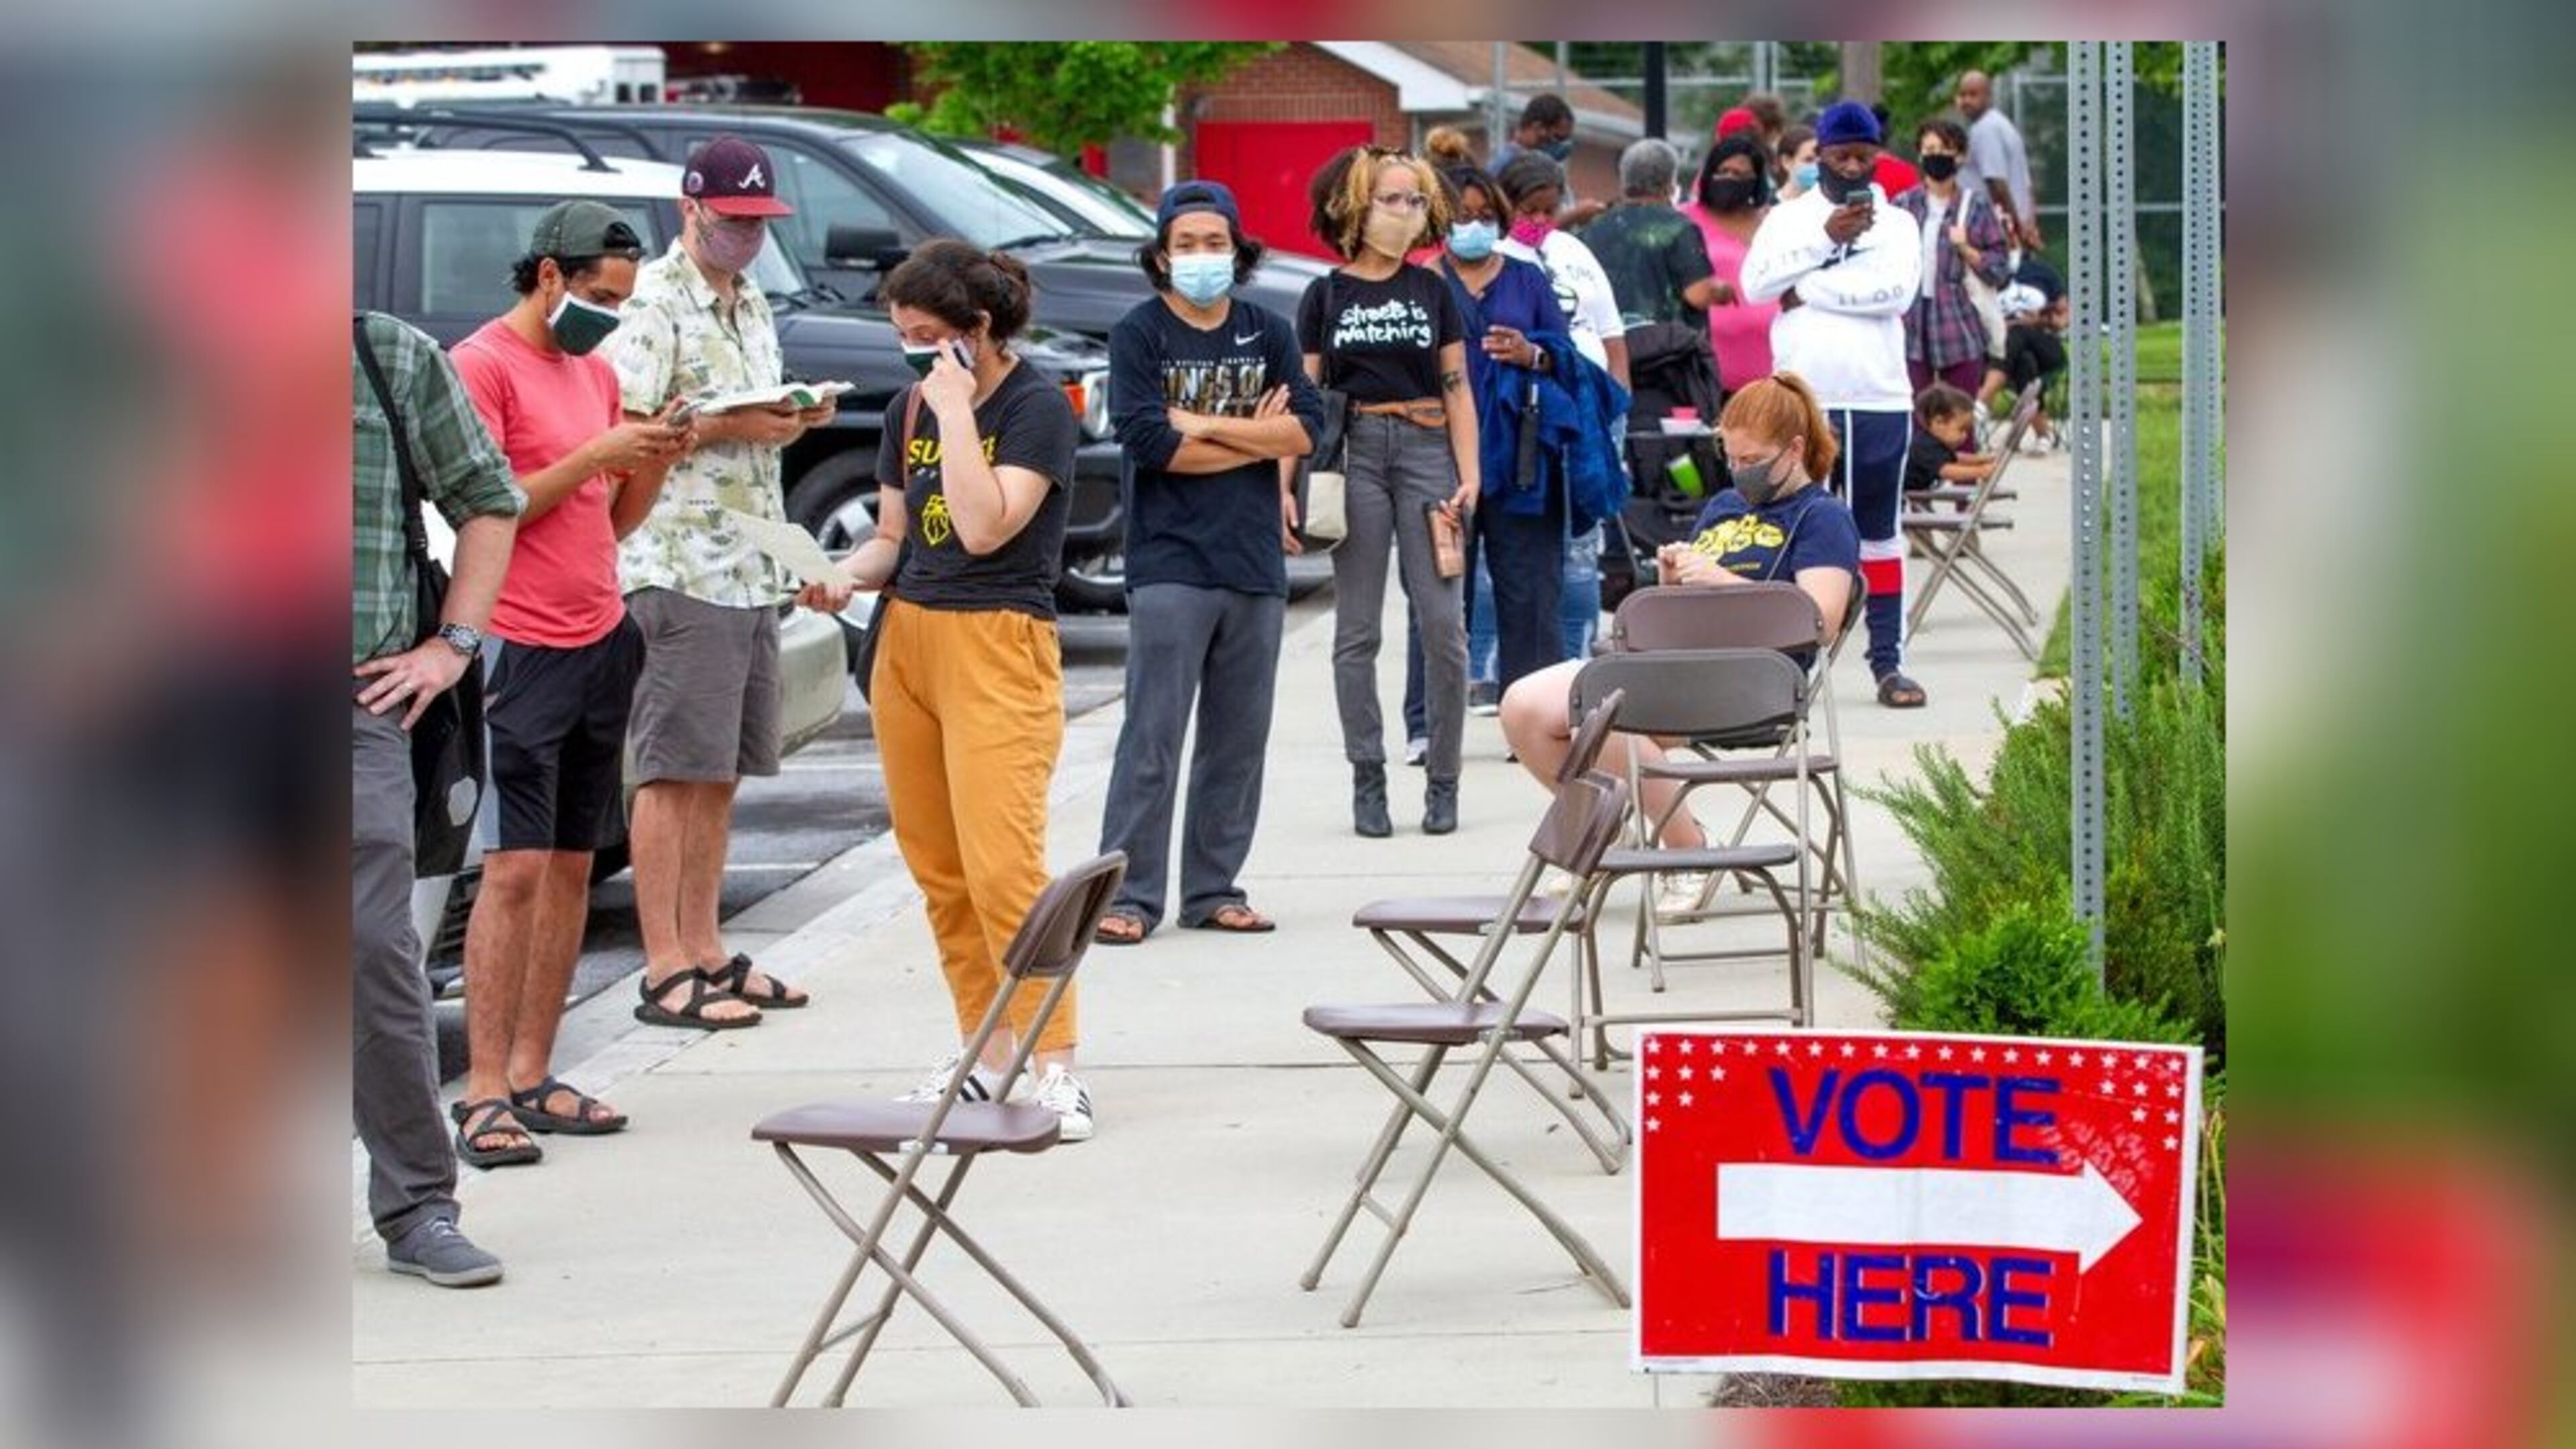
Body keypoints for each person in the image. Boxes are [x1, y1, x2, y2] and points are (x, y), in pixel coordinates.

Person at [818, 241, 1093, 1136]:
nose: (912, 353)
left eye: (929, 335)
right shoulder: (909, 407)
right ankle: (988, 1046)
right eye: (901, 335)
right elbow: (898, 535)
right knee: (939, 868)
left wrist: (957, 415)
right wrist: (843, 573)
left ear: (980, 329)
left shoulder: (1034, 407)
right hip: (910, 636)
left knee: (1003, 863)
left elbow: (981, 528)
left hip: (998, 638)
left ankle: (1055, 1062)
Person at [445, 202, 690, 1163]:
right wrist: (593, 454)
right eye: (594, 297)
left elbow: (612, 523)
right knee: (511, 869)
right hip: (517, 642)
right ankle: (482, 1089)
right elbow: (487, 508)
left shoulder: (593, 372)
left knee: (576, 866)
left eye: (620, 302)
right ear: (546, 276)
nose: (605, 317)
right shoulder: (481, 366)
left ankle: (537, 1070)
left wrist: (656, 458)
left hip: (599, 630)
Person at [610, 136, 837, 1032]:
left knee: (725, 771)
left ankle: (706, 947)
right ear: (690, 209)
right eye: (734, 222)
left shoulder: (750, 302)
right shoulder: (653, 304)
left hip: (747, 564)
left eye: (759, 224)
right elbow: (630, 434)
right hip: (678, 563)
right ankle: (665, 965)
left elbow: (755, 446)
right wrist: (738, 420)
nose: (747, 237)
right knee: (673, 771)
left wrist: (792, 416)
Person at [1497, 372, 1856, 906]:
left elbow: (1819, 620)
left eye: (1751, 459)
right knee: (1523, 707)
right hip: (1672, 663)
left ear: (1794, 449)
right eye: (1730, 459)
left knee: (1610, 701)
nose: (1738, 471)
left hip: (1754, 684)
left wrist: (1723, 582)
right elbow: (1692, 601)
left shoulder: (1823, 518)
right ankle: (1604, 821)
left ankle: (1686, 851)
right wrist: (1674, 582)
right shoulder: (1723, 508)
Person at [1092, 182, 1322, 946]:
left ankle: (1213, 888)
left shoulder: (1269, 329)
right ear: (1162, 254)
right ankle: (1128, 896)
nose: (1201, 257)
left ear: (1238, 248)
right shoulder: (1139, 335)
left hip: (1254, 560)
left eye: (1214, 242)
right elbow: (1152, 444)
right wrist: (1246, 434)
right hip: (1168, 562)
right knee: (1152, 738)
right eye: (1186, 244)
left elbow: (1304, 434)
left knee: (1238, 739)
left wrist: (1201, 422)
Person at [351, 311, 522, 1285]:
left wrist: (451, 646)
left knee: (372, 952)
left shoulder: (389, 355)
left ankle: (418, 1206)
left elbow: (489, 499)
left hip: (356, 701)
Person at [1299, 144, 1480, 837]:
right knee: (1359, 629)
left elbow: (1457, 384)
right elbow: (1312, 398)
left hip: (1429, 449)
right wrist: (1295, 485)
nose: (1403, 213)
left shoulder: (1433, 290)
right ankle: (1367, 775)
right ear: (1354, 207)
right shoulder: (1326, 295)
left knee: (1443, 626)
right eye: (1389, 200)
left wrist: (1472, 475)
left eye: (1413, 201)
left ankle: (1443, 778)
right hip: (1357, 456)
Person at [1741, 100, 1927, 709]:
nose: (1852, 166)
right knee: (1796, 530)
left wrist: (1809, 290)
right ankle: (1786, 671)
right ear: (1818, 155)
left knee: (1879, 532)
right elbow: (1756, 286)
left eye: (1864, 157)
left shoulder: (1898, 225)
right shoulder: (1789, 219)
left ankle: (1888, 664)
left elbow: (1894, 294)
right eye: (1841, 155)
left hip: (1878, 395)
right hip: (1805, 398)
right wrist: (1823, 242)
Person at [1434, 164, 1575, 700]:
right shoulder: (1426, 281)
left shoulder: (1526, 279)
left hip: (1523, 457)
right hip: (1443, 459)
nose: (1474, 225)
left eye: (1485, 216)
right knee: (1443, 594)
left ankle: (1535, 711)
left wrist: (1530, 353)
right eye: (1462, 216)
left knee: (1532, 594)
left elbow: (1567, 362)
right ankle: (1431, 724)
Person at [1494, 151, 1632, 663]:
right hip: (1527, 418)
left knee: (1582, 545)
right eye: (1530, 210)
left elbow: (1611, 330)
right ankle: (1493, 665)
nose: (1540, 223)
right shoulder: (1493, 255)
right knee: (1516, 549)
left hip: (1591, 411)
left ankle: (1577, 657)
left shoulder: (1571, 249)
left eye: (1550, 211)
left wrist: (1618, 398)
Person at [1893, 117, 2012, 397]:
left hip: (1959, 323)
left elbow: (2000, 268)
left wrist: (1968, 250)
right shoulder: (1903, 205)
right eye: (1929, 150)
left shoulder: (1976, 206)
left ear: (1960, 156)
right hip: (1911, 324)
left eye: (1944, 150)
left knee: (1960, 413)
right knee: (1914, 412)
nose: (1936, 157)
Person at [1582, 138, 1725, 335]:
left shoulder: (1592, 229)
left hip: (1608, 349)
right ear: (1669, 183)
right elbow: (1698, 294)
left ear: (1624, 180)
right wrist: (1721, 291)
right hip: (1667, 352)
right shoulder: (1678, 227)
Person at [1678, 132, 1783, 397]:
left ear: (1756, 181)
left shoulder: (1774, 221)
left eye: (1740, 174)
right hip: (1708, 367)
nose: (1729, 179)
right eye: (1722, 171)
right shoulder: (1684, 219)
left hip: (1772, 367)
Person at [1980, 278, 2071, 452]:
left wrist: (2041, 321)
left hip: (2044, 348)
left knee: (2019, 332)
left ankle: (1985, 396)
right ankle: (2043, 435)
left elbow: (2064, 317)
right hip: (2009, 353)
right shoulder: (1986, 276)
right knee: (2025, 363)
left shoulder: (2042, 273)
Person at [1956, 70, 2041, 253]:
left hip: (1997, 234)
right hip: (2013, 228)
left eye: (1973, 94)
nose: (1966, 101)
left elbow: (1997, 184)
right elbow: (2027, 186)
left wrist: (2015, 230)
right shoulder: (2001, 124)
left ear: (1988, 96)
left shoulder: (1986, 129)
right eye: (1962, 95)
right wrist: (2029, 226)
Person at [1904, 382, 1998, 498]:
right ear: (1939, 423)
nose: (1965, 436)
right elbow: (1947, 471)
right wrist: (1980, 471)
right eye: (1961, 429)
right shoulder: (1925, 446)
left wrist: (1981, 460)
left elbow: (1955, 458)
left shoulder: (1935, 445)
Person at [1775, 124, 1819, 199]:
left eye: (1820, 161)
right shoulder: (1770, 208)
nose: (1816, 166)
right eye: (1808, 160)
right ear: (1786, 162)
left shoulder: (1830, 206)